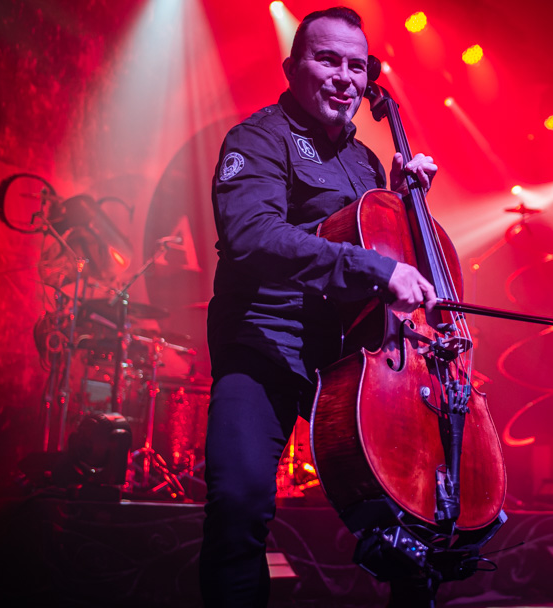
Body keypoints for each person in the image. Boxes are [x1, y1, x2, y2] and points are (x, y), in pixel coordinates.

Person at [199, 7, 439, 607]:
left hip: (352, 357)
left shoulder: (366, 162)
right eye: (327, 59)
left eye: (356, 66)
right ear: (292, 67)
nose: (344, 77)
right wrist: (376, 271)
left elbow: (381, 247)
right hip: (266, 341)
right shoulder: (258, 138)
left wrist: (405, 203)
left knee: (413, 513)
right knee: (239, 502)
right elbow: (252, 236)